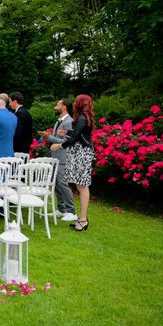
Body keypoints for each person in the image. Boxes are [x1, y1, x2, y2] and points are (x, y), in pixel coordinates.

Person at [51, 94, 95, 232]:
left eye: (76, 102)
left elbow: (74, 139)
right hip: (80, 153)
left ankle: (82, 219)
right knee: (80, 186)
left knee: (82, 186)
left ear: (80, 104)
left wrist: (59, 146)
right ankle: (82, 219)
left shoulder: (81, 118)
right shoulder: (83, 118)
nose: (74, 103)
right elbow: (78, 134)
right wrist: (67, 132)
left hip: (81, 154)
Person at [40, 98, 76, 222]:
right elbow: (59, 138)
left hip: (63, 157)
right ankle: (62, 209)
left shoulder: (69, 121)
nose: (55, 107)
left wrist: (49, 137)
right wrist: (48, 137)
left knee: (63, 183)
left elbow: (68, 142)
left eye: (57, 105)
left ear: (64, 107)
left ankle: (71, 211)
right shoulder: (59, 121)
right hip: (55, 157)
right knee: (56, 184)